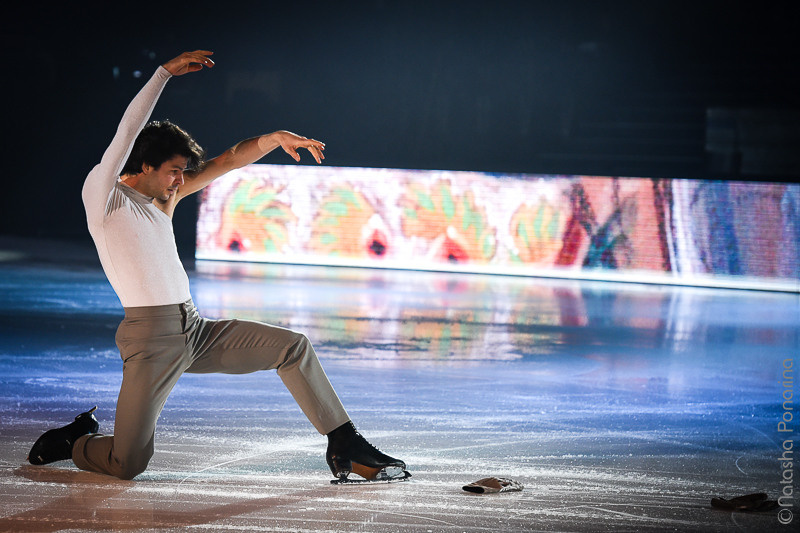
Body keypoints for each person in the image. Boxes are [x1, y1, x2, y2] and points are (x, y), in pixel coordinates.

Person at [27, 50, 407, 483]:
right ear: (144, 165)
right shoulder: (104, 196)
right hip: (150, 341)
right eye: (173, 171)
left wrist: (273, 138)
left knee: (293, 347)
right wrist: (162, 74)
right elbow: (127, 131)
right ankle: (73, 442)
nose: (179, 181)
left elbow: (226, 160)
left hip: (195, 330)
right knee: (127, 464)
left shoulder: (162, 199)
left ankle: (344, 441)